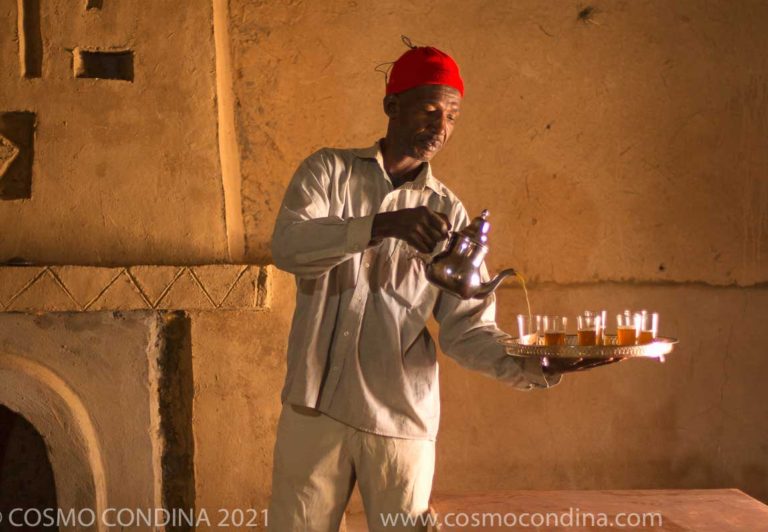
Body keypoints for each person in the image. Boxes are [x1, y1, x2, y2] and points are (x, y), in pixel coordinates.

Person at [269, 43, 596, 531]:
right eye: (429, 109)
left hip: (399, 417)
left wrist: (533, 363)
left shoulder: (451, 213)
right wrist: (380, 225)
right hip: (313, 409)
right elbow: (290, 248)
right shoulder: (327, 172)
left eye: (453, 115)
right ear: (391, 106)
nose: (441, 127)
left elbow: (466, 329)